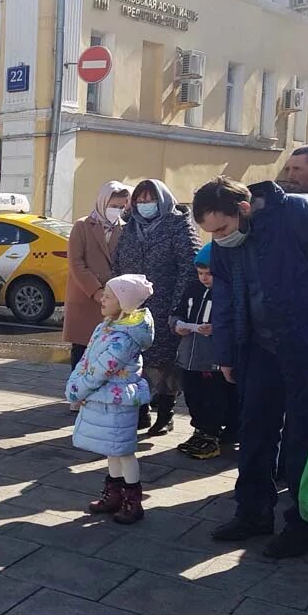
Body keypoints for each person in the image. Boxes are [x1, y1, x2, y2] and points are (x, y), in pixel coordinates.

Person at [193, 177, 308, 558]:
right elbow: (227, 295)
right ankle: (252, 513)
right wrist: (227, 353)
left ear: (244, 210)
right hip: (260, 350)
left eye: (222, 229)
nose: (217, 239)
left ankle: (304, 526)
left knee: (304, 441)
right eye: (210, 232)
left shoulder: (305, 215)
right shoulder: (227, 242)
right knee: (255, 431)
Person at [112, 178, 201, 435]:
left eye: (150, 200)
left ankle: (165, 413)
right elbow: (117, 263)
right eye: (140, 200)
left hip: (164, 305)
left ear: (161, 200)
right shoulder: (130, 227)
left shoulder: (178, 225)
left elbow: (190, 266)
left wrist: (177, 305)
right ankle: (140, 411)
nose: (144, 205)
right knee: (133, 359)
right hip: (132, 307)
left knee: (165, 364)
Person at [66, 274, 154, 525]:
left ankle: (132, 500)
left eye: (108, 296)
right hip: (104, 399)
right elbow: (87, 359)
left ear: (124, 303)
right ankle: (114, 494)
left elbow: (101, 369)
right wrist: (78, 385)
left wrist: (77, 390)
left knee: (124, 451)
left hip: (117, 402)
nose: (101, 299)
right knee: (112, 450)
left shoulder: (123, 338)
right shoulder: (106, 326)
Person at [170, 243, 238, 460]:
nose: (204, 278)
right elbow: (177, 313)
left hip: (213, 360)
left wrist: (216, 329)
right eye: (200, 273)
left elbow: (236, 322)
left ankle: (213, 433)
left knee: (214, 398)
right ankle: (200, 430)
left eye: (209, 274)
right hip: (189, 357)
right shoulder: (192, 289)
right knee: (193, 396)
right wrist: (177, 325)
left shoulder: (230, 292)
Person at [64, 181, 131, 395]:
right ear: (103, 201)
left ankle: (100, 393)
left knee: (106, 350)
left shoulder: (126, 229)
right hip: (85, 297)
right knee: (82, 348)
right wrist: (96, 291)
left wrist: (115, 294)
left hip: (113, 299)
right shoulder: (82, 225)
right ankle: (77, 393)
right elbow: (76, 262)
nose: (117, 211)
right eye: (114, 205)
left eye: (122, 207)